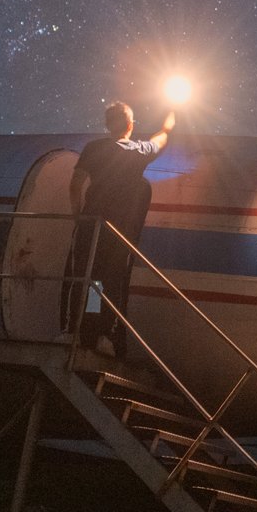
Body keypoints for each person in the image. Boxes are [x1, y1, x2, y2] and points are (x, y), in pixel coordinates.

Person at [63, 100, 174, 353]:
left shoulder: (92, 149)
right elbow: (163, 137)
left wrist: (77, 215)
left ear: (106, 124)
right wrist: (171, 113)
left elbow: (75, 184)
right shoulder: (138, 150)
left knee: (86, 277)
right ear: (130, 125)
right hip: (117, 232)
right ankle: (104, 333)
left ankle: (77, 331)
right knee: (111, 280)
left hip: (91, 225)